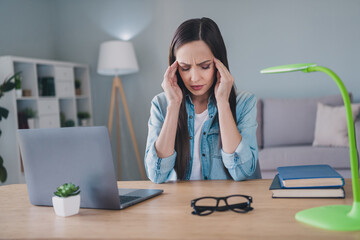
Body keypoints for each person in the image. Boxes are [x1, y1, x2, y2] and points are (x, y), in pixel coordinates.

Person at [144, 17, 258, 183]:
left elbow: (241, 172)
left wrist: (223, 103)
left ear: (219, 64)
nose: (194, 78)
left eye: (205, 66)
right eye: (185, 68)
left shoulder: (244, 103)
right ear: (174, 69)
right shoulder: (160, 105)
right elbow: (156, 175)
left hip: (225, 203)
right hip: (177, 205)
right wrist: (174, 106)